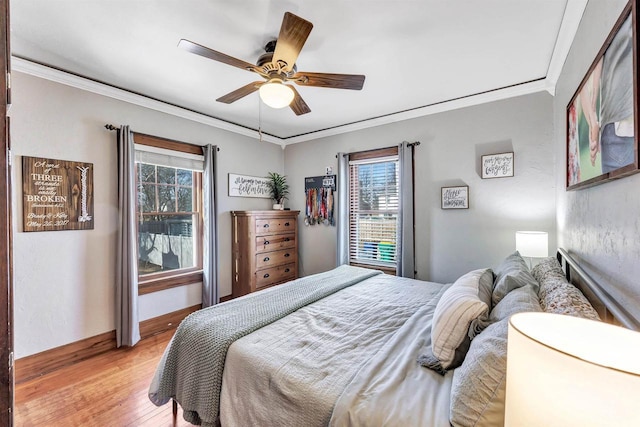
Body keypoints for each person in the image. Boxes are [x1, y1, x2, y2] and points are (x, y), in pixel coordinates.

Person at [579, 15, 634, 174]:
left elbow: (592, 64)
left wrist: (593, 119)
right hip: (621, 121)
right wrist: (594, 119)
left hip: (621, 119)